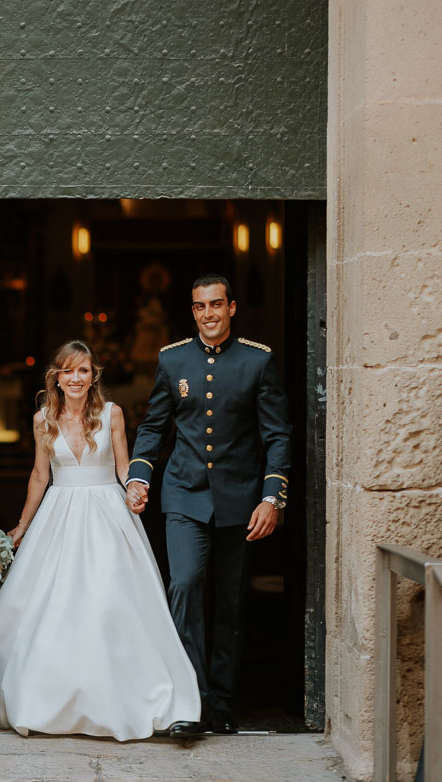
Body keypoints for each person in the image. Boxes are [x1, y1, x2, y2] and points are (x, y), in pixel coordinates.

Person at [0, 340, 200, 741]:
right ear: (56, 377)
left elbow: (124, 468)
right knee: (53, 607)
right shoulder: (42, 420)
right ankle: (51, 700)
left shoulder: (112, 414)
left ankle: (121, 699)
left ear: (93, 377)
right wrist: (21, 525)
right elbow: (40, 476)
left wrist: (134, 491)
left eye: (83, 371)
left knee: (108, 603)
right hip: (59, 514)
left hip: (107, 514)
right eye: (68, 371)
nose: (76, 378)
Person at [125, 273, 290, 738]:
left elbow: (277, 435)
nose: (209, 314)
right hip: (183, 493)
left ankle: (219, 704)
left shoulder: (258, 362)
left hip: (241, 500)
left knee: (231, 605)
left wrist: (271, 497)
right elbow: (155, 426)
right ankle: (186, 701)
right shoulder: (171, 359)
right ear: (192, 311)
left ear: (232, 308)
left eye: (216, 305)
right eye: (200, 307)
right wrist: (140, 477)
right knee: (186, 584)